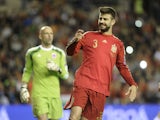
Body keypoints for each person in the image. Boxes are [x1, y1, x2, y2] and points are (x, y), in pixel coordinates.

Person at [64, 6, 138, 120]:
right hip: (83, 82)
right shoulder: (88, 36)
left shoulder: (118, 44)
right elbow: (70, 52)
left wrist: (132, 84)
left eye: (105, 19)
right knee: (74, 116)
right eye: (100, 19)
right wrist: (74, 41)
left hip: (101, 89)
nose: (101, 21)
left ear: (113, 21)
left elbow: (122, 66)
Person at [20, 26, 69, 120]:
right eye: (46, 33)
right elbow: (27, 71)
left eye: (51, 34)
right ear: (40, 36)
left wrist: (57, 69)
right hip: (39, 94)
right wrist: (23, 87)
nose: (49, 36)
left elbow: (65, 75)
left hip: (55, 94)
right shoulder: (32, 53)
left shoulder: (60, 53)